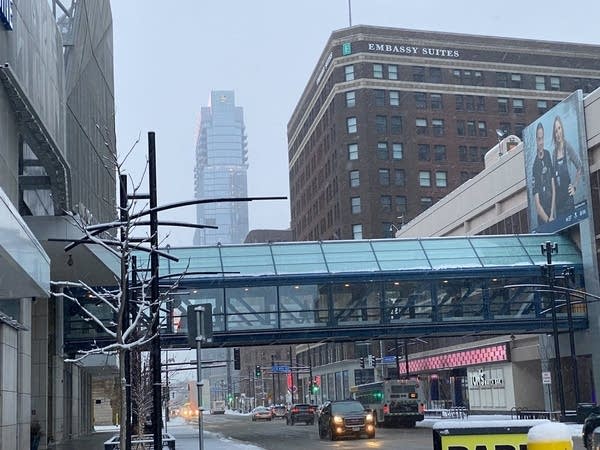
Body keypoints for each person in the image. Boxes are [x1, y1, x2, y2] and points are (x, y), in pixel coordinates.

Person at [552, 115, 583, 218]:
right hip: (558, 203)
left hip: (569, 200)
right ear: (554, 134)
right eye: (556, 131)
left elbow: (579, 166)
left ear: (562, 129)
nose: (558, 133)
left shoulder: (568, 147)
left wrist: (574, 186)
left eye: (559, 128)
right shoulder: (554, 153)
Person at [531, 122, 556, 224]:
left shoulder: (548, 155)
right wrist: (548, 220)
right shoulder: (535, 167)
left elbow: (553, 187)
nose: (541, 142)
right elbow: (537, 205)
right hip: (543, 220)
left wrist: (552, 214)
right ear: (536, 140)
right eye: (539, 139)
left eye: (542, 138)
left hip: (553, 212)